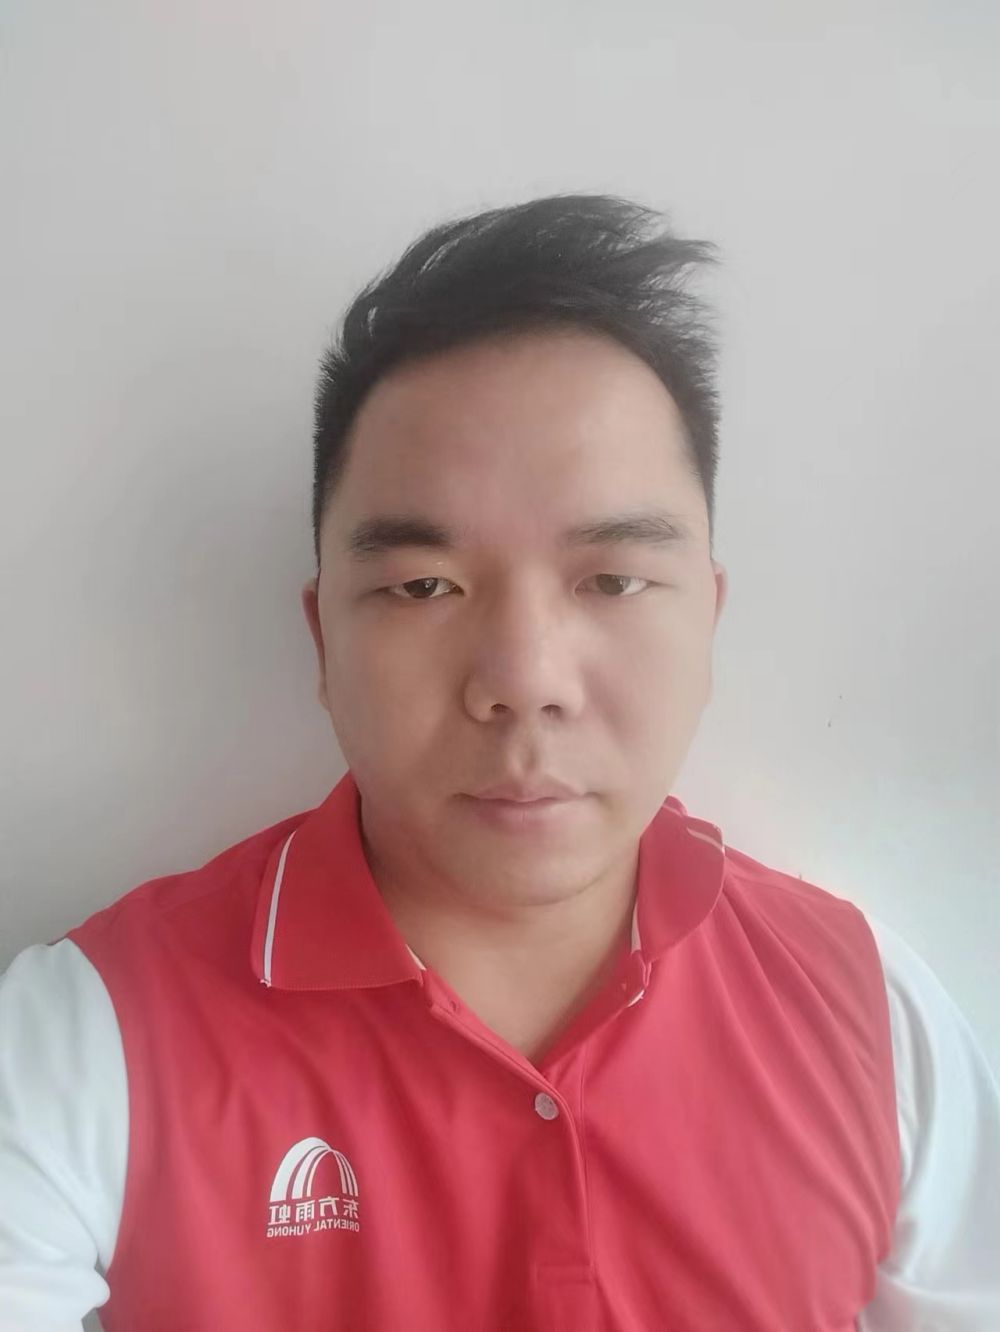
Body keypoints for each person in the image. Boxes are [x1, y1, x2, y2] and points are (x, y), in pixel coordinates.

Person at [1, 193, 997, 1332]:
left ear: (708, 619)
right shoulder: (89, 1037)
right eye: (424, 586)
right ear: (323, 640)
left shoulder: (870, 1014)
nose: (524, 678)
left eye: (613, 580)